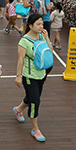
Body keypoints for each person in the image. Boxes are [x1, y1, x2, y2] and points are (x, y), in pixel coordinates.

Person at [13, 14, 53, 143]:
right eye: (38, 24)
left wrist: (46, 38)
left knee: (32, 97)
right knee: (35, 101)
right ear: (30, 26)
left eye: (42, 23)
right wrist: (18, 76)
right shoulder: (24, 41)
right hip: (29, 76)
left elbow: (50, 52)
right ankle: (35, 129)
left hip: (41, 73)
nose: (41, 26)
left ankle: (18, 109)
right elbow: (20, 60)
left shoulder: (42, 36)